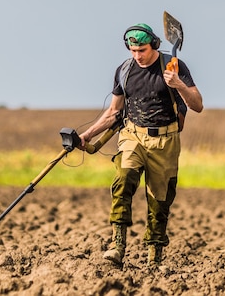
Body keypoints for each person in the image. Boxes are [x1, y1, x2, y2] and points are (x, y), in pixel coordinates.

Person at [78, 22, 203, 267]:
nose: (138, 56)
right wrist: (88, 135)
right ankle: (117, 245)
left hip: (165, 141)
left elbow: (197, 104)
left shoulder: (173, 66)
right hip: (133, 136)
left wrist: (178, 84)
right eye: (133, 51)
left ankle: (154, 257)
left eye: (142, 50)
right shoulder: (124, 70)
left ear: (154, 45)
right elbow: (114, 112)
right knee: (123, 179)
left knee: (160, 200)